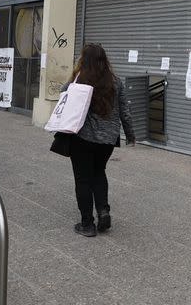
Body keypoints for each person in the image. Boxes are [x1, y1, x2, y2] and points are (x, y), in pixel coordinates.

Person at [65, 43, 135, 237]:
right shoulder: (116, 82)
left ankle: (87, 224)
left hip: (82, 138)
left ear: (83, 60)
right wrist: (130, 135)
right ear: (104, 60)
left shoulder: (79, 80)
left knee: (83, 179)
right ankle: (103, 211)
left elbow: (63, 95)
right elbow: (125, 111)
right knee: (98, 172)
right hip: (108, 140)